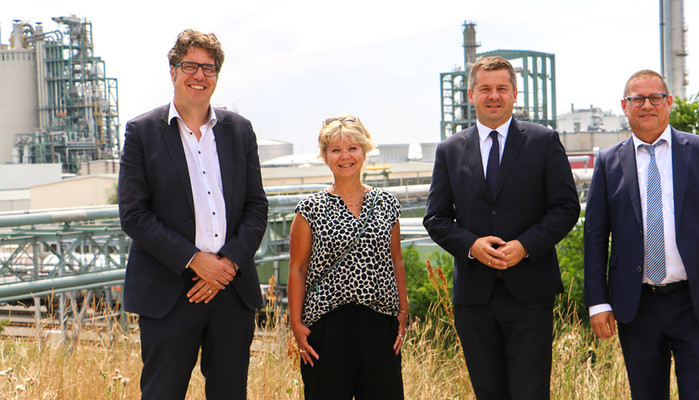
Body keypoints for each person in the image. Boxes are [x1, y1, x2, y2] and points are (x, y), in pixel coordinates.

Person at [118, 29, 268, 399]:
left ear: (217, 75)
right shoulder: (142, 132)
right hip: (168, 292)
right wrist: (195, 261)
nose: (199, 76)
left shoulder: (239, 130)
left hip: (231, 292)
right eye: (190, 66)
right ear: (172, 71)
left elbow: (256, 206)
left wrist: (227, 264)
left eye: (209, 68)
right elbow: (134, 214)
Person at [423, 56, 580, 399]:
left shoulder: (543, 141)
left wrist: (525, 245)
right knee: (487, 392)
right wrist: (472, 245)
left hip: (529, 294)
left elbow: (566, 207)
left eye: (501, 89)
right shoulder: (450, 150)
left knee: (530, 391)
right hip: (474, 299)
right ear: (471, 95)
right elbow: (435, 218)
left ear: (514, 94)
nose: (493, 96)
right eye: (485, 89)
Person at [583, 69, 699, 399]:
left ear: (669, 102)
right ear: (624, 106)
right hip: (636, 304)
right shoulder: (608, 162)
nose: (646, 105)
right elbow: (595, 238)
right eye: (637, 99)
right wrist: (598, 302)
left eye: (655, 98)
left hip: (695, 301)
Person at [288, 115, 409, 400]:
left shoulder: (387, 204)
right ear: (325, 156)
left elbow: (397, 260)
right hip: (327, 325)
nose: (345, 156)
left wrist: (403, 312)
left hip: (380, 323)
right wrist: (296, 323)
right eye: (336, 149)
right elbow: (298, 269)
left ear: (364, 152)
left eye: (352, 148)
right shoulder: (310, 209)